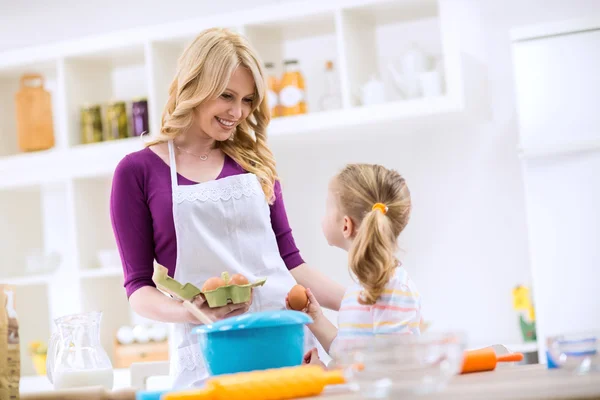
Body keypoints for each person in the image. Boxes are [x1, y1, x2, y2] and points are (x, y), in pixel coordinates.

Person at [109, 27, 345, 388]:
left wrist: (370, 304)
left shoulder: (254, 162)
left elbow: (292, 264)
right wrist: (191, 311)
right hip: (210, 350)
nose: (238, 112)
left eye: (249, 100)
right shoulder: (138, 171)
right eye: (227, 96)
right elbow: (139, 288)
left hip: (288, 343)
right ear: (195, 86)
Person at [288, 163, 422, 367]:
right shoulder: (361, 287)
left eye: (327, 208)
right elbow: (351, 353)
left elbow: (391, 368)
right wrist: (316, 319)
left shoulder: (393, 287)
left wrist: (328, 376)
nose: (323, 217)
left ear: (345, 225)